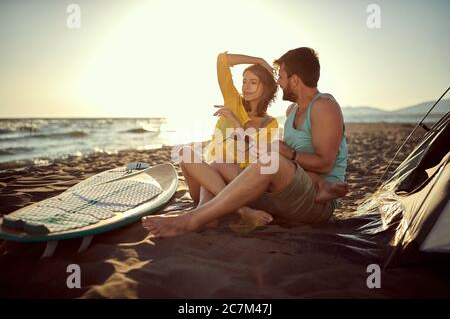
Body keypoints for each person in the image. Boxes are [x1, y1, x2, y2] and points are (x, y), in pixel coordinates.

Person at [143, 47, 349, 238]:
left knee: (269, 161)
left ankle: (193, 219)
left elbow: (325, 164)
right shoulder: (291, 111)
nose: (279, 82)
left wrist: (286, 153)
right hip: (287, 191)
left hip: (315, 199)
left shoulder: (323, 106)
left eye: (282, 76)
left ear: (294, 81)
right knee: (220, 162)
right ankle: (225, 211)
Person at [176, 51, 279, 227]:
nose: (246, 87)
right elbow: (222, 61)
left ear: (266, 88)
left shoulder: (270, 123)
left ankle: (204, 211)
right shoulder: (233, 102)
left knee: (220, 163)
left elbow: (255, 159)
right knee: (184, 152)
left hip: (235, 184)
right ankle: (242, 211)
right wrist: (258, 60)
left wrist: (236, 123)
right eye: (244, 81)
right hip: (207, 178)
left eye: (253, 82)